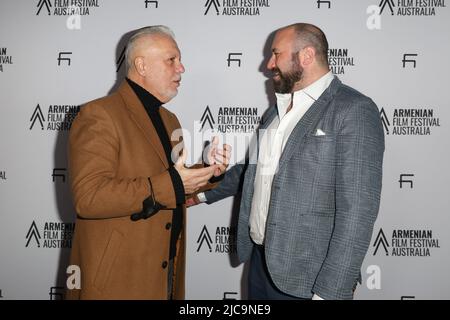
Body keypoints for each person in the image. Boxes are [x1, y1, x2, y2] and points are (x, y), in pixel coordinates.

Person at [191, 23, 385, 300]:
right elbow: (252, 171)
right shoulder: (276, 111)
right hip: (260, 263)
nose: (269, 64)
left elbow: (358, 211)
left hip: (309, 277)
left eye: (276, 54)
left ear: (306, 56)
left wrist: (330, 292)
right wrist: (199, 194)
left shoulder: (353, 109)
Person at [66, 25, 230, 300]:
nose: (182, 68)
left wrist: (208, 170)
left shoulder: (169, 120)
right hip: (118, 280)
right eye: (172, 60)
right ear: (141, 65)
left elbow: (170, 185)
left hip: (164, 272)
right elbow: (88, 197)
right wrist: (174, 183)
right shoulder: (98, 115)